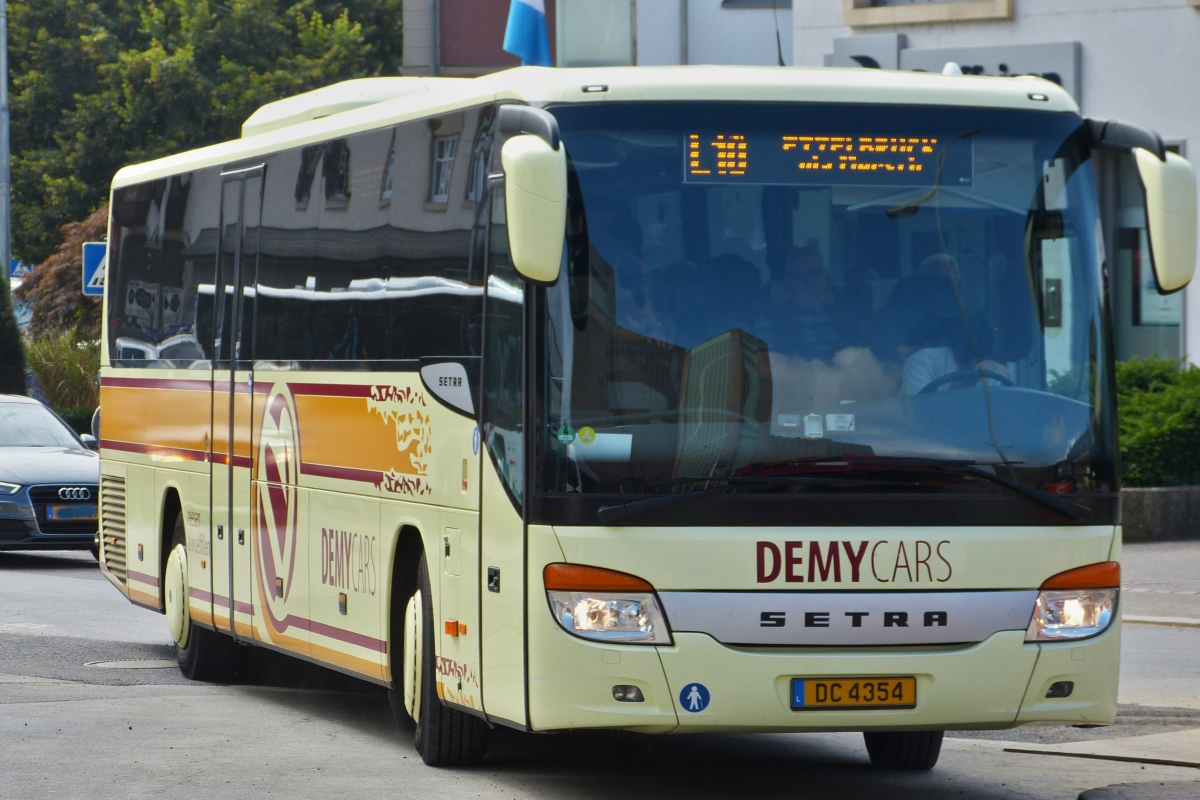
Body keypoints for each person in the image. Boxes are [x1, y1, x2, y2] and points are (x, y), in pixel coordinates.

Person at [760, 245, 844, 362]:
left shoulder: (845, 317)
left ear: (825, 276)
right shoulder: (770, 321)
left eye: (814, 273)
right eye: (799, 275)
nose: (808, 280)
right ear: (788, 280)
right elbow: (764, 367)